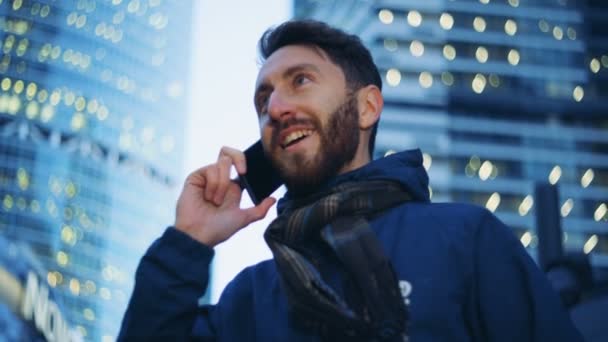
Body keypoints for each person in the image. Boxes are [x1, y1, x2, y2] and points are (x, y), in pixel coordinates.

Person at [118, 20, 582, 341]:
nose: (275, 108)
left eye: (301, 81)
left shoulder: (465, 238)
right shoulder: (248, 299)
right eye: (264, 99)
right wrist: (188, 242)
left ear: (367, 108)